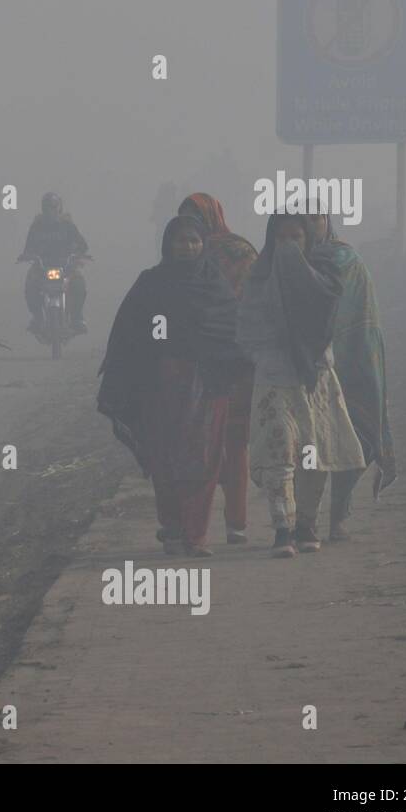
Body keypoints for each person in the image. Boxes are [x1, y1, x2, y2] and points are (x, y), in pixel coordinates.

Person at [97, 214, 249, 557]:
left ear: (203, 244)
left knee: (204, 458)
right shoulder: (151, 283)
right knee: (164, 459)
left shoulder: (215, 285)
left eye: (194, 240)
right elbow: (129, 332)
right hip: (160, 387)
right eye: (181, 240)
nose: (188, 247)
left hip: (208, 387)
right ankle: (173, 527)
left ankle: (196, 535)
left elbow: (231, 332)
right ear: (168, 244)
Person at [237, 212, 365, 558]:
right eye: (282, 239)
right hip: (274, 377)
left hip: (316, 378)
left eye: (297, 238)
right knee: (280, 452)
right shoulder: (259, 278)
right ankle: (283, 529)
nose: (289, 246)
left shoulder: (324, 278)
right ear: (270, 241)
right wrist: (263, 355)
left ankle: (307, 524)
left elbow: (326, 318)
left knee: (313, 454)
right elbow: (246, 328)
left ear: (309, 242)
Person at [307, 211, 397, 540]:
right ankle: (305, 522)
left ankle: (338, 516)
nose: (311, 224)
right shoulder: (286, 261)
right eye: (302, 218)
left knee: (360, 437)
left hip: (356, 359)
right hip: (307, 364)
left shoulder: (347, 257)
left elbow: (362, 311)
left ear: (327, 222)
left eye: (316, 217)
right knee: (311, 445)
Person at [179, 192, 258, 545]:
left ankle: (233, 522)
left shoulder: (223, 252)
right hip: (204, 361)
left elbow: (257, 299)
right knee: (214, 441)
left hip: (233, 359)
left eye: (194, 217)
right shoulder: (188, 253)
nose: (190, 228)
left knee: (229, 441)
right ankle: (213, 524)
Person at [19, 192, 89, 332]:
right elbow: (28, 247)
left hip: (67, 266)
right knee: (30, 285)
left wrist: (79, 253)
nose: (51, 211)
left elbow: (83, 245)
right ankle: (37, 317)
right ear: (43, 209)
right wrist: (27, 255)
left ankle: (77, 317)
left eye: (53, 207)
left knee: (80, 283)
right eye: (47, 207)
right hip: (42, 267)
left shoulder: (67, 225)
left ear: (59, 208)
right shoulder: (37, 226)